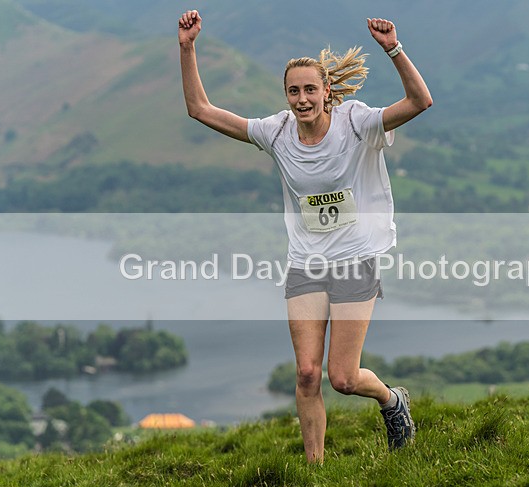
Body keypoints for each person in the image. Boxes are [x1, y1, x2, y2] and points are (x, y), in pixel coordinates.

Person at [179, 10, 432, 463]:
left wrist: (393, 48)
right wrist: (187, 46)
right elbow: (200, 110)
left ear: (326, 92)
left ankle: (393, 401)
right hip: (306, 263)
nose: (301, 99)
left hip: (356, 259)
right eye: (293, 91)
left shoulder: (356, 123)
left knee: (344, 378)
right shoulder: (275, 133)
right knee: (307, 373)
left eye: (310, 89)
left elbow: (419, 101)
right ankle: (314, 471)